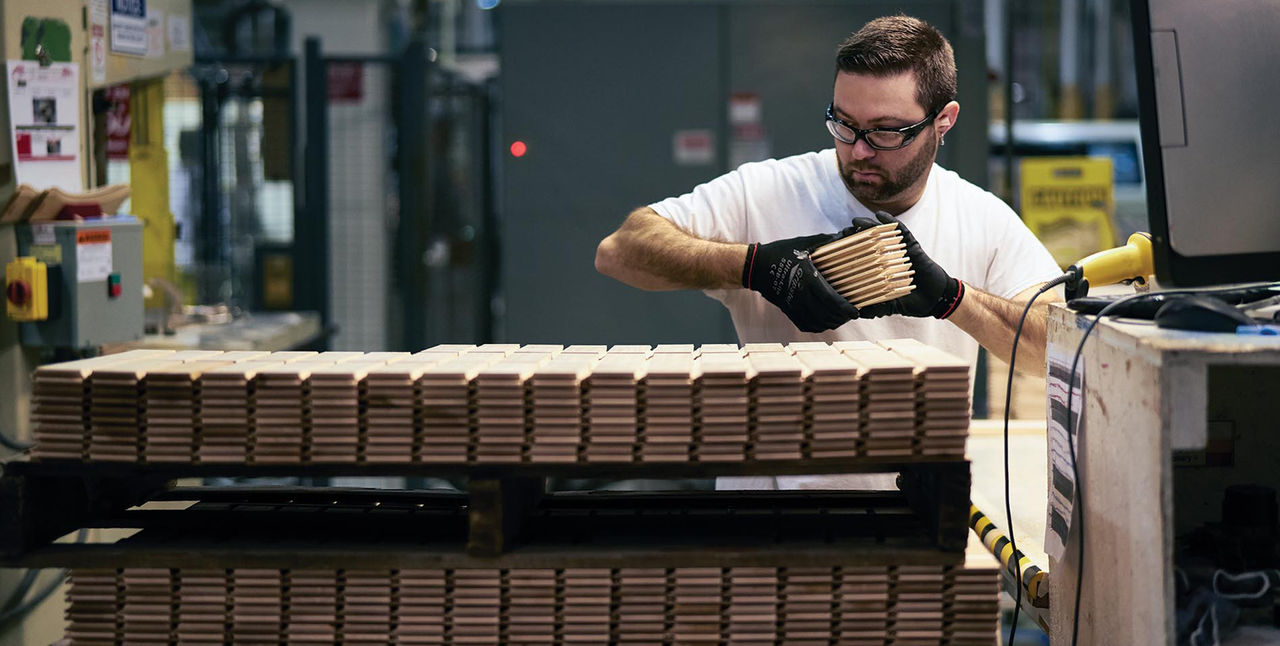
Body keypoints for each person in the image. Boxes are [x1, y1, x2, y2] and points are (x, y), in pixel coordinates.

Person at [594, 15, 1064, 489]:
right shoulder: (768, 191)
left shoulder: (980, 216)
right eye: (844, 124)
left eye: (885, 131)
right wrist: (757, 267)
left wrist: (951, 298)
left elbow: (1055, 350)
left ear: (944, 121)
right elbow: (620, 250)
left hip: (914, 518)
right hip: (767, 523)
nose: (858, 151)